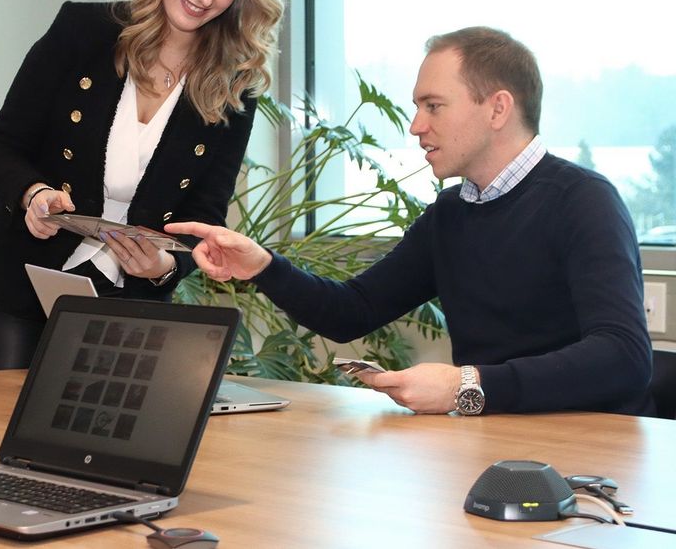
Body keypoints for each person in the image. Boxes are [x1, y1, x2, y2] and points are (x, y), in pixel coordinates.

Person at [167, 27, 654, 416]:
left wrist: (468, 385)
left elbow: (623, 357)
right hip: (496, 447)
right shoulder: (451, 215)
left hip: (592, 460)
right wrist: (262, 266)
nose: (416, 125)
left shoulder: (584, 201)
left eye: (433, 106)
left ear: (498, 108)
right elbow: (351, 311)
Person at [0, 0, 284, 371]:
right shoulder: (82, 31)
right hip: (22, 284)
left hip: (128, 300)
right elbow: (1, 146)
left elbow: (204, 215)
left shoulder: (233, 85)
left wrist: (165, 267)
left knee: (104, 442)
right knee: (0, 437)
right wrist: (34, 195)